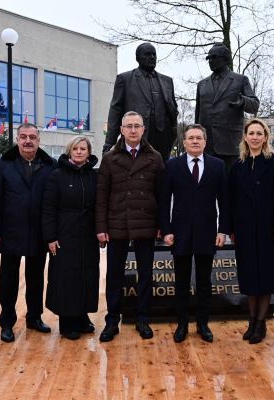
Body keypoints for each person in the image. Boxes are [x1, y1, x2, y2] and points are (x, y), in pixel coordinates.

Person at [96, 111, 165, 342]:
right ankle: (112, 320)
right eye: (129, 126)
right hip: (117, 224)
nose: (133, 130)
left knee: (145, 274)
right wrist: (101, 227)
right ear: (122, 130)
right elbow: (101, 196)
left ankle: (142, 318)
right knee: (114, 275)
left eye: (137, 126)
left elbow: (162, 194)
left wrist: (161, 225)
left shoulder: (154, 157)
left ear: (143, 129)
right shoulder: (109, 157)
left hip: (146, 224)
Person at [159, 124, 230, 343]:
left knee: (204, 282)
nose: (195, 141)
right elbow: (163, 201)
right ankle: (182, 325)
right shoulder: (172, 165)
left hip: (207, 232)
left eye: (199, 138)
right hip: (179, 233)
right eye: (191, 138)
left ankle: (203, 324)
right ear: (184, 142)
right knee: (180, 282)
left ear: (205, 141)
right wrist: (166, 230)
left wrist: (223, 230)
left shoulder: (217, 166)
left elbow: (225, 201)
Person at [0, 123, 58, 343]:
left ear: (39, 140)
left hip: (39, 232)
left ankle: (34, 317)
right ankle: (7, 322)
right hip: (11, 232)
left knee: (36, 279)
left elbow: (54, 202)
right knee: (8, 280)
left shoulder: (50, 165)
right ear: (17, 139)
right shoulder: (3, 165)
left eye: (32, 137)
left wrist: (52, 233)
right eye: (23, 137)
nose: (28, 141)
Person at [229, 118, 274, 344]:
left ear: (265, 137)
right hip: (244, 230)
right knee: (249, 277)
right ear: (245, 137)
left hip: (269, 230)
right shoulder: (238, 166)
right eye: (251, 133)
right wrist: (231, 228)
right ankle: (252, 320)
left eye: (259, 133)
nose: (254, 137)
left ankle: (261, 323)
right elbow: (232, 200)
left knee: (265, 277)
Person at [42, 137, 100, 340]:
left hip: (88, 235)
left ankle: (82, 316)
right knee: (67, 278)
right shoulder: (57, 175)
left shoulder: (94, 176)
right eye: (75, 148)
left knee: (86, 275)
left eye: (83, 148)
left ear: (88, 151)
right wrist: (51, 236)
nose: (79, 152)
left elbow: (100, 205)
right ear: (69, 151)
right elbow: (48, 208)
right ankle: (67, 321)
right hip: (65, 234)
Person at [103, 42, 179, 161]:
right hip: (137, 136)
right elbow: (115, 111)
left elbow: (173, 109)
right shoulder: (125, 79)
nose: (152, 57)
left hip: (163, 138)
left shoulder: (167, 81)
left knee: (162, 174)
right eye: (148, 54)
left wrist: (173, 132)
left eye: (154, 54)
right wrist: (109, 144)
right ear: (138, 58)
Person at [195, 43, 260, 171]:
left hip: (230, 145)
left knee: (231, 186)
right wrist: (196, 137)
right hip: (207, 146)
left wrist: (242, 101)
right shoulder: (202, 84)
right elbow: (198, 114)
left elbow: (254, 105)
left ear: (225, 59)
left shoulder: (240, 80)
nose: (211, 61)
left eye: (214, 57)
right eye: (209, 58)